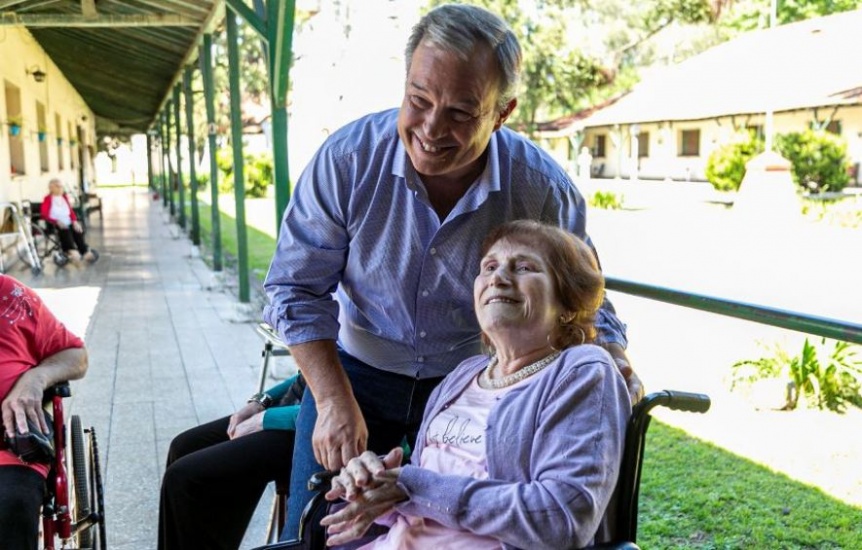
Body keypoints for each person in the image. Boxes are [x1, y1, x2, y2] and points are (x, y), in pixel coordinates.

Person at [262, 4, 642, 538]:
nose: (432, 128)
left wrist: (616, 358)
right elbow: (294, 288)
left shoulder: (539, 187)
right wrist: (329, 399)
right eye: (418, 100)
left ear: (502, 113)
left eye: (462, 113)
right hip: (355, 377)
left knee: (453, 531)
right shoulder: (347, 161)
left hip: (471, 394)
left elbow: (583, 287)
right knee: (320, 533)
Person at [320, 220, 631, 549]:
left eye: (524, 267)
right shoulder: (463, 376)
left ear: (567, 305)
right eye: (490, 267)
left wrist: (414, 487)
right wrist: (374, 487)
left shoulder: (580, 371)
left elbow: (562, 518)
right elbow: (421, 499)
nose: (498, 277)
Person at [157, 373, 306, 550]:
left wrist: (265, 419)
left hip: (308, 429)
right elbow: (304, 374)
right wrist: (260, 401)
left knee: (183, 478)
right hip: (296, 404)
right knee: (183, 446)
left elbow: (339, 407)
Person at [0, 274, 89, 550]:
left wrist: (35, 378)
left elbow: (76, 355)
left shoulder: (10, 297)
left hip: (11, 446)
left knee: (11, 507)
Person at [39, 179, 99, 263]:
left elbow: (70, 211)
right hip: (54, 223)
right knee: (65, 230)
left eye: (61, 186)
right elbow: (44, 214)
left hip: (68, 221)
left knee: (77, 230)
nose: (61, 188)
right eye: (58, 186)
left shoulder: (64, 197)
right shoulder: (47, 199)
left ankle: (84, 251)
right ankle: (70, 250)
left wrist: (75, 221)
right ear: (51, 188)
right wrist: (57, 221)